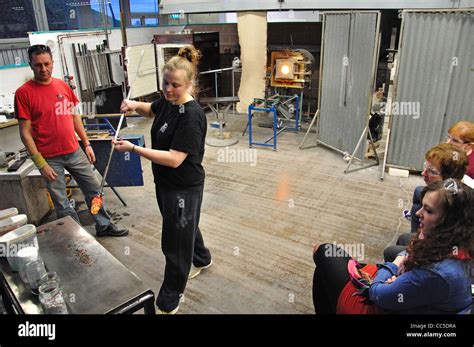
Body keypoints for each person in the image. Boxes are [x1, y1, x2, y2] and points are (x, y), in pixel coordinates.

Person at [116, 45, 212, 314]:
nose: (168, 90)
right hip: (166, 185)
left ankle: (171, 296)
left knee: (175, 242)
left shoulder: (191, 116)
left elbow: (174, 158)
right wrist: (133, 104)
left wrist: (133, 149)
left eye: (175, 85)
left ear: (190, 84)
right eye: (165, 84)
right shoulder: (169, 103)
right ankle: (202, 257)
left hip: (183, 188)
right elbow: (152, 109)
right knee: (183, 227)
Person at [15, 44, 128, 237]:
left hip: (74, 150)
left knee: (94, 189)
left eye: (47, 64)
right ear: (30, 65)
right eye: (38, 65)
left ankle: (103, 225)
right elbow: (25, 133)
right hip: (49, 158)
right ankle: (75, 236)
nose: (43, 69)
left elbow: (75, 117)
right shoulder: (24, 93)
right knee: (62, 202)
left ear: (52, 63)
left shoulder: (62, 86)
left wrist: (86, 144)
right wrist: (41, 164)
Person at [313, 179, 473, 314]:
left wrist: (395, 265)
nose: (418, 214)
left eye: (429, 211)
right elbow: (410, 254)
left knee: (323, 251)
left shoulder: (434, 273)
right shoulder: (457, 243)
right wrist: (401, 270)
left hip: (379, 303)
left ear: (450, 222)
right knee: (324, 268)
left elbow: (377, 293)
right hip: (401, 293)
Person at [383, 143, 467, 261]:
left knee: (390, 252)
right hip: (434, 242)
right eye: (424, 167)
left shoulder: (452, 206)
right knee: (404, 238)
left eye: (432, 171)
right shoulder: (450, 192)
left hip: (441, 256)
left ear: (449, 178)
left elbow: (439, 250)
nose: (423, 173)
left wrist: (404, 257)